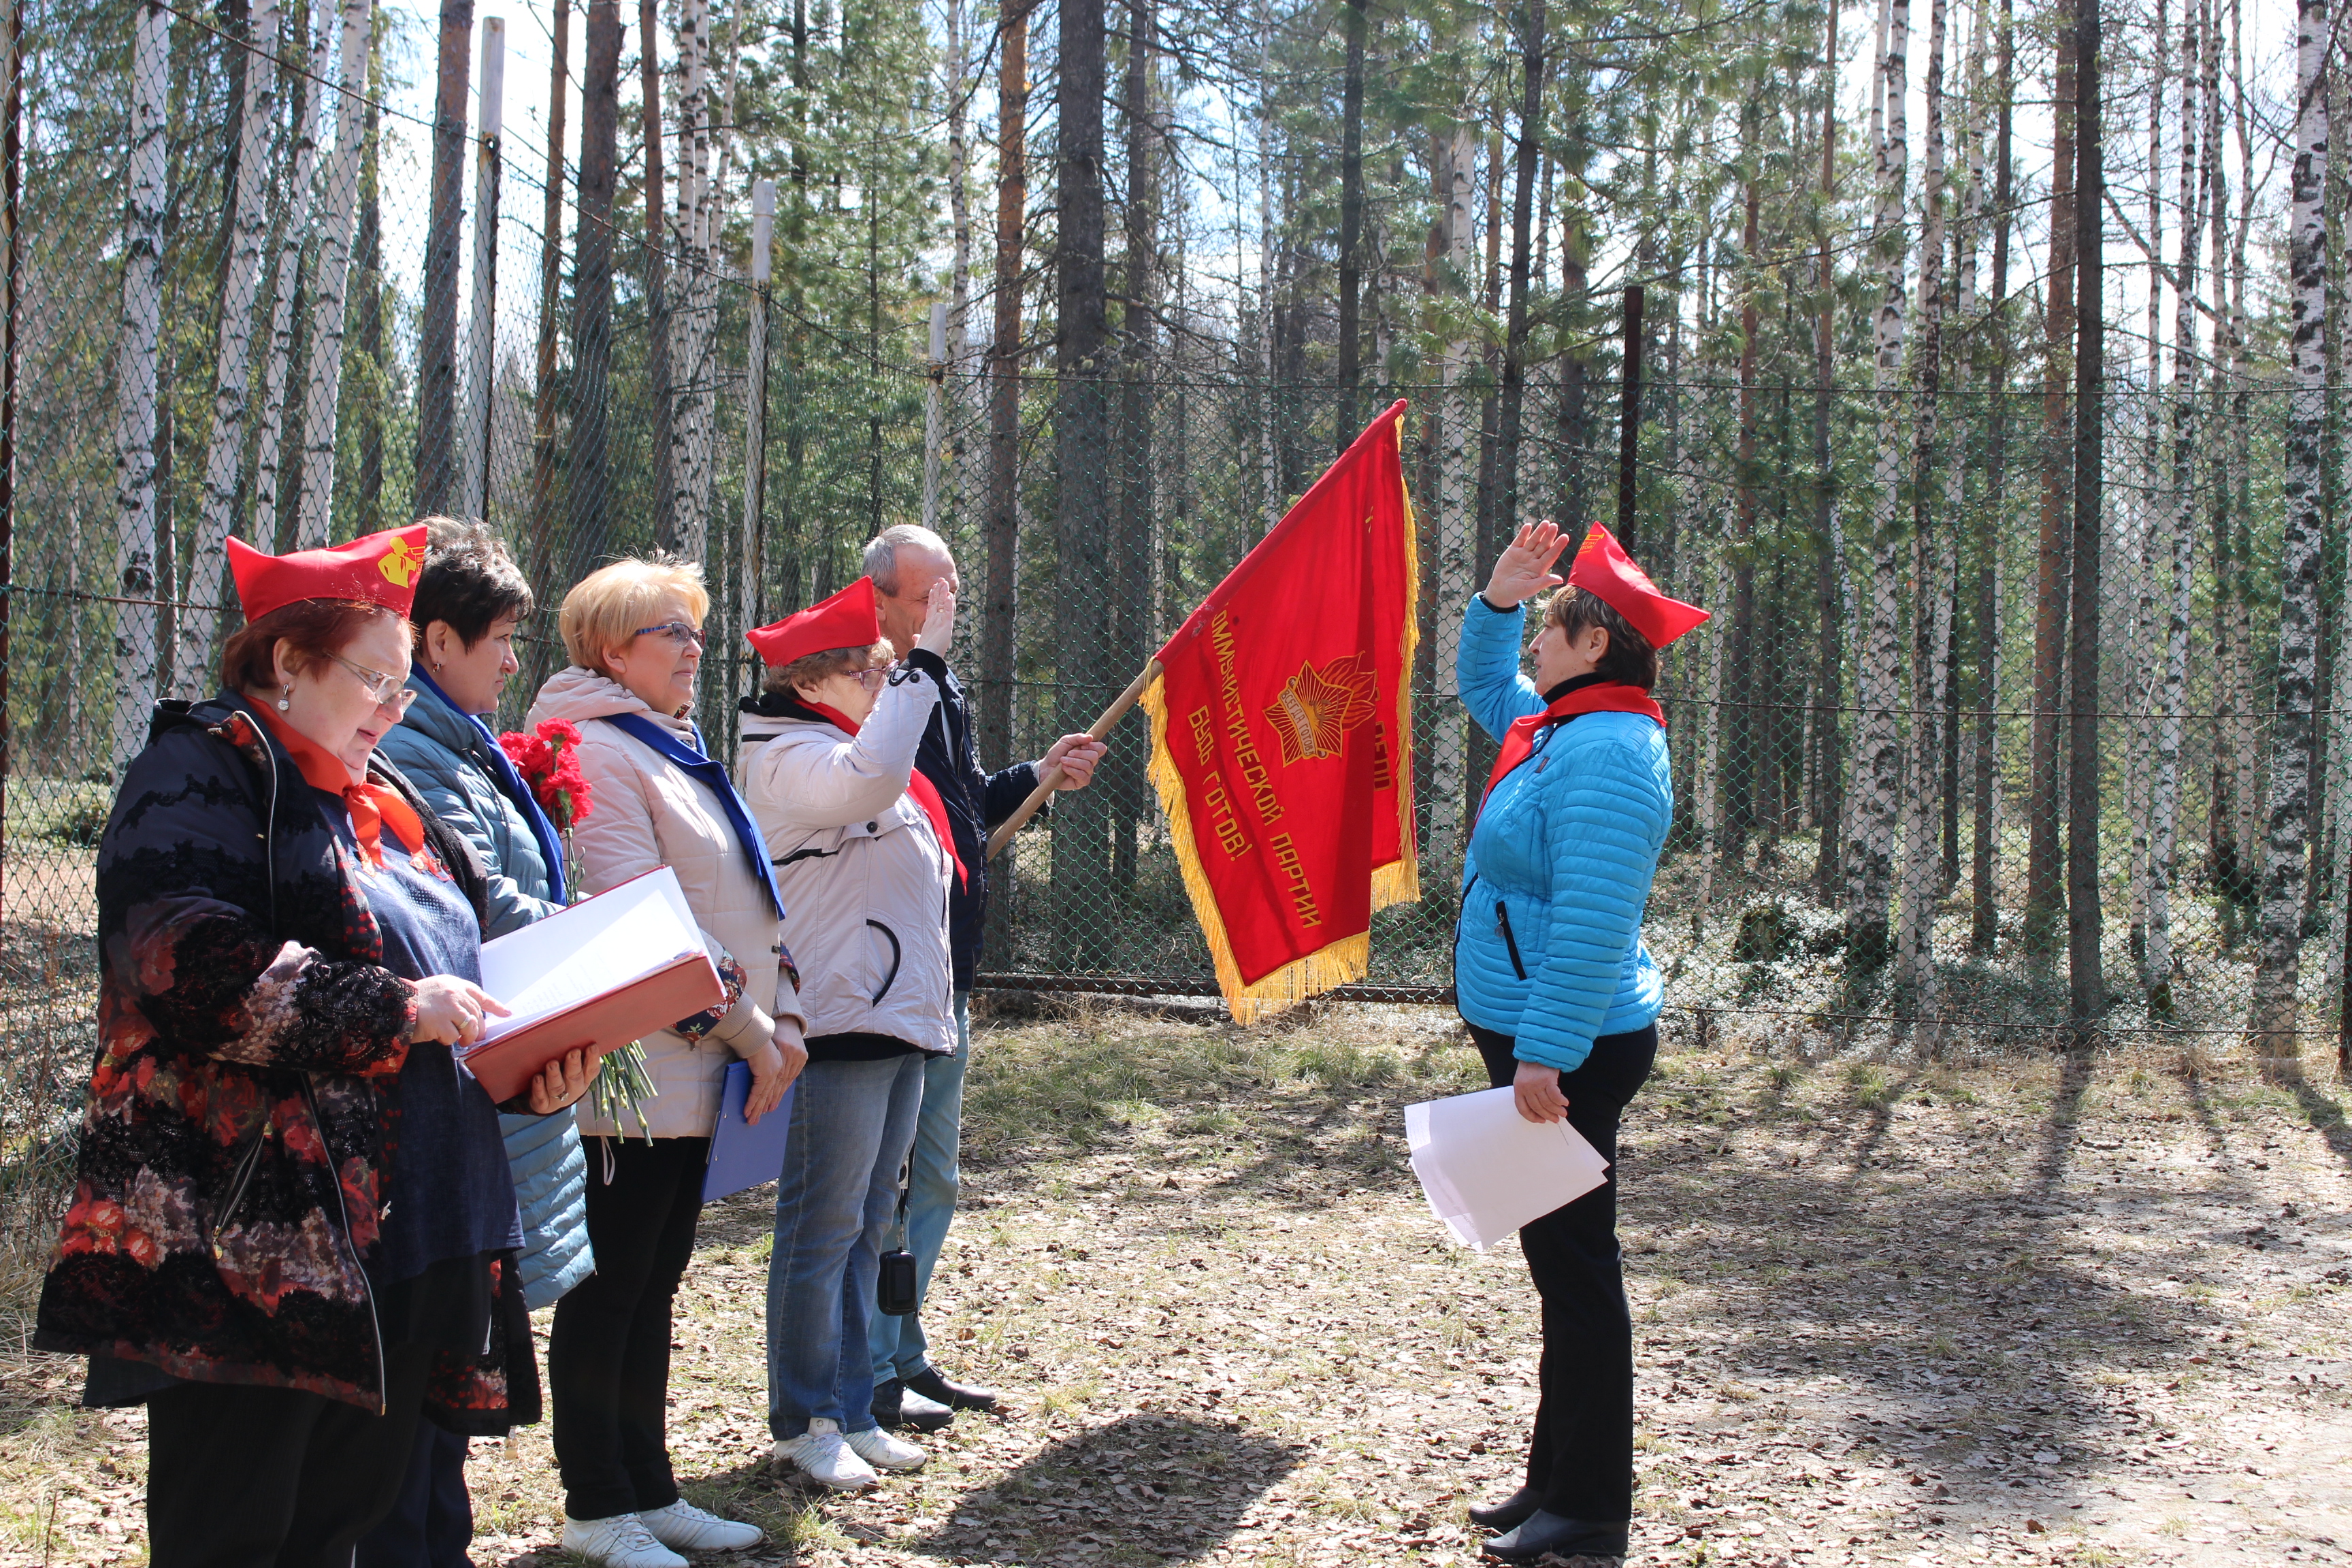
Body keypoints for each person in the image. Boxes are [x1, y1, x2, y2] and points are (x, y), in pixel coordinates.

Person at [33, 524, 601, 1568]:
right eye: (375, 681)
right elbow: (186, 967)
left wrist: (532, 1073)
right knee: (237, 1538)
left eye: (402, 686)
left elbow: (465, 991)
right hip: (257, 1251)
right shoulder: (201, 772)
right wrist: (396, 1008)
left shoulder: (393, 799)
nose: (395, 709)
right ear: (287, 662)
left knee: (340, 1530)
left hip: (412, 1235)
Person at [529, 555, 807, 1568]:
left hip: (706, 1067)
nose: (696, 650)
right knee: (610, 1289)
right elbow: (646, 930)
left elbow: (747, 901)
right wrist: (753, 1035)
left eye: (696, 632)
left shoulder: (670, 745)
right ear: (611, 650)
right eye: (671, 635)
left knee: (655, 1283)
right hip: (632, 1076)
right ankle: (595, 1505)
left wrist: (792, 1020)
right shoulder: (601, 753)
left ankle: (649, 1489)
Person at [1450, 520, 1706, 1566]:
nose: (1535, 650)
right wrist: (1499, 600)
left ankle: (1592, 1509)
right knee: (1559, 1268)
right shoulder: (1567, 725)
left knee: (1579, 1274)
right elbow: (1483, 691)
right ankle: (1553, 1480)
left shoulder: (1605, 751)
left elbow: (1596, 920)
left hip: (1569, 1051)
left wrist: (1544, 1055)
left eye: (1551, 627)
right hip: (1539, 1040)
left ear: (1596, 642)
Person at [362, 518, 594, 1568]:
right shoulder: (416, 749)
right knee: (409, 1418)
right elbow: (482, 899)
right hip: (446, 1094)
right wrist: (603, 950)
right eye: (497, 636)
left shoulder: (467, 746)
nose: (513, 659)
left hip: (493, 1077)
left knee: (442, 1405)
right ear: (433, 643)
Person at [857, 524, 1105, 1431]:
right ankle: (869, 1367)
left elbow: (962, 808)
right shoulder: (875, 686)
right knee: (882, 1188)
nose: (947, 608)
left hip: (950, 971)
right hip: (892, 977)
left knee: (935, 1178)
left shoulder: (941, 685)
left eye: (955, 588)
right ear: (881, 600)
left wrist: (1040, 774)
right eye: (931, 594)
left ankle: (902, 1351)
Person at [736, 575, 961, 1490]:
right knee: (821, 1227)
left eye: (885, 675)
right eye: (870, 674)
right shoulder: (790, 755)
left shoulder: (839, 745)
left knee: (870, 1221)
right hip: (837, 1017)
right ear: (814, 683)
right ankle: (804, 1417)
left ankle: (852, 1406)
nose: (884, 688)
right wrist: (927, 666)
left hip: (896, 1018)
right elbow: (873, 774)